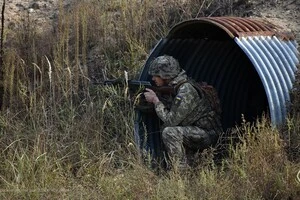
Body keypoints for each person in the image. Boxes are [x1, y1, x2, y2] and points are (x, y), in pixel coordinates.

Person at [143, 55, 222, 169]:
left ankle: (180, 170)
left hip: (208, 134)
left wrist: (156, 101)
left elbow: (170, 122)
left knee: (169, 132)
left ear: (165, 75)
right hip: (197, 131)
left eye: (156, 75)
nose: (153, 78)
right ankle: (189, 161)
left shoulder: (185, 91)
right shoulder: (179, 86)